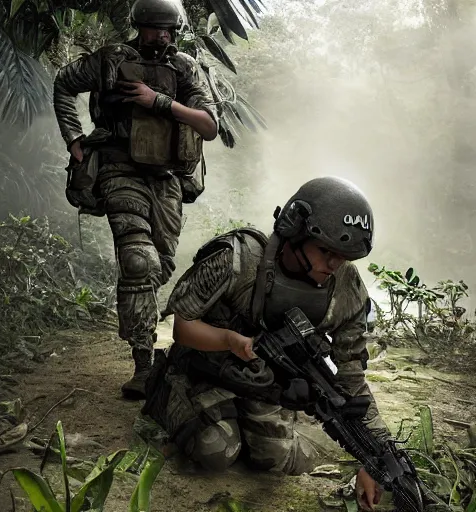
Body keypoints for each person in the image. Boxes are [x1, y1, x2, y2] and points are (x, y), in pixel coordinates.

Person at [142, 176, 390, 512]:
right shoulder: (238, 259)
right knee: (217, 450)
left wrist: (374, 455)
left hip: (265, 386)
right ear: (295, 232)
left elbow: (351, 377)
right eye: (325, 251)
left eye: (343, 256)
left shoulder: (345, 288)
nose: (333, 264)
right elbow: (183, 326)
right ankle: (164, 393)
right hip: (206, 372)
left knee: (275, 458)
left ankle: (239, 420)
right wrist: (229, 340)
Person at [53, 0, 218, 400]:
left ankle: (142, 314)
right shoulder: (110, 60)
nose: (159, 36)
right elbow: (64, 84)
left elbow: (209, 126)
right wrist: (75, 141)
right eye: (152, 29)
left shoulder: (185, 67)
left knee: (158, 264)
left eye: (166, 30)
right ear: (138, 27)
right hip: (118, 168)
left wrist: (157, 101)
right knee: (136, 260)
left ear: (175, 32)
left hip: (166, 179)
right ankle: (144, 362)